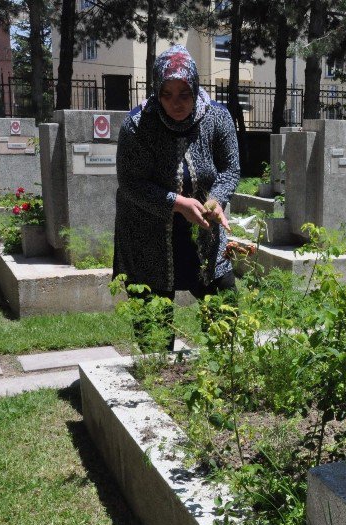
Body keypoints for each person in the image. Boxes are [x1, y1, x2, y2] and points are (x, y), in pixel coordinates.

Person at [114, 44, 240, 348]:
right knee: (153, 331)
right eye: (167, 95)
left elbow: (230, 168)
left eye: (184, 94)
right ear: (156, 91)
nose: (176, 103)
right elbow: (131, 183)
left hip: (203, 233)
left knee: (224, 309)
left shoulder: (217, 118)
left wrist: (216, 200)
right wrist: (178, 203)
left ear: (196, 88)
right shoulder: (137, 126)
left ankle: (224, 375)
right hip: (148, 235)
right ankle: (156, 379)